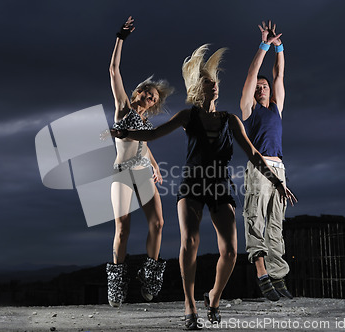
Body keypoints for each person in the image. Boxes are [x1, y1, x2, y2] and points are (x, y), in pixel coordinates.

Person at [111, 44, 296, 329]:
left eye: (217, 83)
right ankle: (189, 304)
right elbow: (154, 133)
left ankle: (213, 297)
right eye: (210, 83)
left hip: (220, 185)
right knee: (190, 242)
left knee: (231, 252)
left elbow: (253, 154)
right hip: (192, 185)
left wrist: (275, 181)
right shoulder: (188, 117)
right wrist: (125, 132)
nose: (216, 87)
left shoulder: (230, 120)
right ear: (200, 88)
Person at [106, 16, 174, 308]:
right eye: (147, 92)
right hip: (122, 173)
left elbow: (144, 144)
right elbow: (113, 70)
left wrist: (156, 165)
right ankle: (117, 284)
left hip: (143, 172)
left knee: (158, 222)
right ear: (137, 93)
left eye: (153, 97)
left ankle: (150, 276)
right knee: (122, 227)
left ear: (154, 104)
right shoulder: (123, 107)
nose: (149, 96)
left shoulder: (145, 121)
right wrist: (120, 38)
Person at [240, 21, 296, 301]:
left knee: (276, 224)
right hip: (259, 169)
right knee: (255, 219)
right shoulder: (248, 111)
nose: (261, 88)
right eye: (258, 87)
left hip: (280, 169)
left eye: (264, 86)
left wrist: (279, 47)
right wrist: (263, 45)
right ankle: (262, 274)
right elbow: (253, 72)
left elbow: (279, 74)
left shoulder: (276, 107)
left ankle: (278, 277)